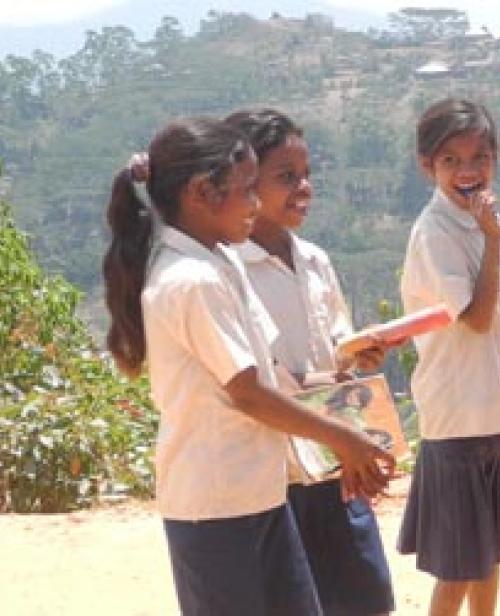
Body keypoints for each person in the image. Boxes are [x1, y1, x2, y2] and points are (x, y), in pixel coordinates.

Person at [101, 117, 393, 615]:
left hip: (257, 493)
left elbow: (269, 372)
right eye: (246, 191)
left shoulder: (222, 263)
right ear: (201, 193)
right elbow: (249, 391)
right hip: (214, 507)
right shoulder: (191, 280)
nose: (255, 206)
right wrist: (342, 438)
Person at [225, 108, 396, 616]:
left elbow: (336, 348)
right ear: (244, 184)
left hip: (335, 463)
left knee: (363, 598)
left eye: (305, 175)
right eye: (285, 177)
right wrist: (326, 380)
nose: (303, 187)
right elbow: (259, 382)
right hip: (278, 475)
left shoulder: (316, 260)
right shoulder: (231, 272)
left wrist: (358, 353)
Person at [397, 98, 500, 616]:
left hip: (494, 410)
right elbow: (476, 317)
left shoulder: (483, 225)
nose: (467, 172)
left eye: (478, 157)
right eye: (450, 161)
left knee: (490, 558)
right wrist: (490, 240)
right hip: (457, 419)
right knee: (459, 568)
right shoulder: (436, 232)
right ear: (427, 166)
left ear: (495, 158)